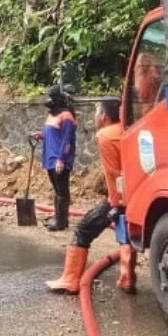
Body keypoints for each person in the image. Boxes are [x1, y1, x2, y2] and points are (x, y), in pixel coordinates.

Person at [46, 98, 135, 293]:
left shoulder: (105, 136)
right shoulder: (130, 130)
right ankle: (127, 279)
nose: (95, 117)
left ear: (103, 116)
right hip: (137, 192)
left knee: (83, 229)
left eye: (97, 113)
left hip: (121, 194)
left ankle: (70, 280)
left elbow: (114, 173)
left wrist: (116, 203)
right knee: (126, 233)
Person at [32, 85, 76, 231]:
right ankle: (58, 218)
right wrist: (41, 135)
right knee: (57, 190)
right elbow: (52, 135)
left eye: (50, 97)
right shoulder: (52, 115)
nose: (47, 100)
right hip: (49, 158)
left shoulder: (67, 116)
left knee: (62, 191)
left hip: (59, 159)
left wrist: (61, 159)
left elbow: (67, 139)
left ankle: (61, 222)